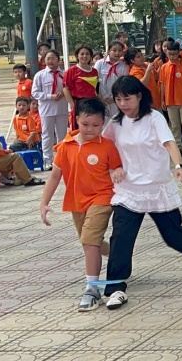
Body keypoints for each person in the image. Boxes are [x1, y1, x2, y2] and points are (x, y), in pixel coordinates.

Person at [101, 76, 182, 310]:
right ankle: (115, 287)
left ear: (139, 96)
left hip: (157, 187)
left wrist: (179, 166)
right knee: (121, 238)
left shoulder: (154, 118)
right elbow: (103, 145)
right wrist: (113, 167)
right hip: (128, 191)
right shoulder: (116, 123)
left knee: (173, 235)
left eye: (127, 98)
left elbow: (169, 143)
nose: (123, 104)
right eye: (118, 99)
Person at [39, 98, 123, 311]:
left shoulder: (107, 146)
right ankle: (119, 255)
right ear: (76, 120)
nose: (91, 129)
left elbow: (117, 167)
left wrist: (119, 172)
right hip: (77, 202)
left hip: (102, 199)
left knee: (89, 241)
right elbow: (55, 177)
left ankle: (92, 289)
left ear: (103, 123)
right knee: (91, 243)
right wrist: (44, 203)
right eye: (85, 125)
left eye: (96, 125)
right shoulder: (65, 146)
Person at [31, 51, 69, 169]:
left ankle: (62, 158)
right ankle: (47, 159)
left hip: (62, 108)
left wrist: (63, 93)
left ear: (58, 59)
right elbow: (35, 93)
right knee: (47, 134)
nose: (50, 61)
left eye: (53, 58)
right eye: (48, 58)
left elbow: (70, 87)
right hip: (47, 109)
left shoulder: (65, 74)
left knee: (62, 134)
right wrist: (49, 96)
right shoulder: (40, 75)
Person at [63, 46, 100, 128]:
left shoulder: (94, 71)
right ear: (77, 56)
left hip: (92, 103)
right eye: (82, 54)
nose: (84, 56)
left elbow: (96, 89)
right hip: (79, 104)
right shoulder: (71, 70)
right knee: (79, 129)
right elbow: (65, 88)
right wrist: (72, 104)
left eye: (87, 54)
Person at [96, 41, 129, 117]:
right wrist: (102, 96)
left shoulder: (123, 66)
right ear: (109, 51)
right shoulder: (100, 63)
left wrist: (113, 98)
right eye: (114, 50)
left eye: (120, 51)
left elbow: (124, 84)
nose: (117, 53)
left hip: (117, 99)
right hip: (100, 98)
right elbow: (96, 81)